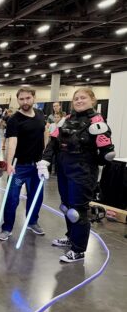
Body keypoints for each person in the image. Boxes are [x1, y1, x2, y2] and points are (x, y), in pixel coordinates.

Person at [40, 88, 115, 262]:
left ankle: (79, 249)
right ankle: (71, 236)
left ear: (93, 100)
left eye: (83, 98)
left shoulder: (97, 123)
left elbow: (106, 153)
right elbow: (53, 143)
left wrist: (93, 161)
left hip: (83, 172)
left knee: (78, 210)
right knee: (66, 206)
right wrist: (45, 160)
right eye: (76, 98)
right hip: (64, 170)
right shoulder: (65, 120)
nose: (79, 101)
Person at [0, 88, 46, 241]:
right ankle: (7, 228)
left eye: (28, 98)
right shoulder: (14, 119)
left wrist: (45, 157)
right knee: (12, 198)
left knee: (36, 197)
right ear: (17, 100)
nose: (25, 102)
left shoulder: (40, 115)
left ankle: (32, 222)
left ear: (34, 98)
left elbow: (44, 133)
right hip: (19, 166)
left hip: (37, 166)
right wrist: (9, 163)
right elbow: (12, 142)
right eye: (21, 99)